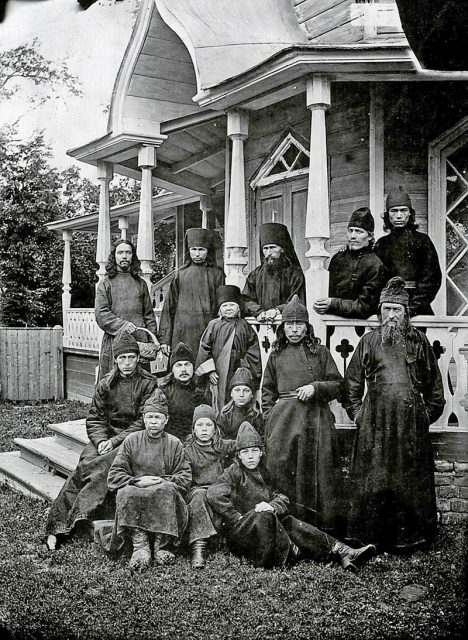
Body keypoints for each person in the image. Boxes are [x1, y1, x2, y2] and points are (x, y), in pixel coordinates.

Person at [344, 276, 445, 551]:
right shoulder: (368, 341)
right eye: (386, 309)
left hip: (409, 424)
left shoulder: (419, 342)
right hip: (375, 423)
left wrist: (424, 418)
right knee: (374, 478)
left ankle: (411, 539)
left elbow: (435, 388)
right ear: (380, 311)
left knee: (409, 479)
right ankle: (372, 537)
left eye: (396, 310)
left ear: (406, 313)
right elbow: (351, 384)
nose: (390, 316)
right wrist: (357, 415)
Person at [207, 422, 376, 570]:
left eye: (254, 450)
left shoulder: (266, 472)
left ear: (261, 452)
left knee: (289, 521)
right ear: (238, 455)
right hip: (242, 533)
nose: (250, 456)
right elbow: (214, 494)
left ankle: (343, 551)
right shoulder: (233, 472)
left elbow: (283, 497)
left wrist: (272, 505)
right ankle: (293, 552)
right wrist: (237, 516)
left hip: (267, 528)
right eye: (245, 452)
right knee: (264, 516)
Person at [46, 333, 158, 550]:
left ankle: (76, 519)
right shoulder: (106, 383)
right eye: (122, 358)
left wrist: (114, 441)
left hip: (133, 439)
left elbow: (143, 421)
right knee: (85, 465)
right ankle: (56, 525)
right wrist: (99, 441)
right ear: (115, 360)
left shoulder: (148, 384)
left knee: (102, 468)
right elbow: (95, 418)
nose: (126, 363)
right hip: (105, 437)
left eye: (131, 358)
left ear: (138, 359)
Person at [262, 294, 343, 531]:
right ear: (283, 327)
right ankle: (289, 523)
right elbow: (267, 390)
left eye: (299, 324)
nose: (294, 330)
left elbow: (338, 384)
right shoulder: (276, 354)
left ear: (307, 327)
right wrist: (271, 418)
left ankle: (319, 525)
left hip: (315, 420)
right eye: (289, 324)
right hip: (284, 423)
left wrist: (315, 388)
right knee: (284, 470)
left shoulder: (320, 352)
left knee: (318, 472)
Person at [96, 392, 191, 571]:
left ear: (166, 420)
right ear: (144, 419)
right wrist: (137, 481)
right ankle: (140, 546)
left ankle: (160, 546)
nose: (153, 421)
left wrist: (160, 481)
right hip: (137, 489)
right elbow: (114, 474)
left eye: (158, 417)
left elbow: (185, 476)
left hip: (163, 489)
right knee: (125, 491)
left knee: (169, 489)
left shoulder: (175, 443)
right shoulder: (131, 440)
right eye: (149, 417)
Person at [95, 239, 159, 379]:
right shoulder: (106, 283)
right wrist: (123, 325)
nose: (124, 256)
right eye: (120, 252)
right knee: (113, 384)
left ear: (133, 256)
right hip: (114, 341)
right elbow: (102, 314)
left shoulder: (140, 283)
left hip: (139, 342)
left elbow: (148, 314)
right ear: (114, 256)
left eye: (128, 252)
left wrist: (151, 340)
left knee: (141, 385)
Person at [374, 187, 442, 316]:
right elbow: (375, 279)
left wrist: (411, 308)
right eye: (394, 211)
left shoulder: (423, 241)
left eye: (403, 210)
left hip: (418, 310)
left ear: (410, 213)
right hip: (390, 308)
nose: (399, 215)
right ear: (387, 214)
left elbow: (432, 279)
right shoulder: (381, 244)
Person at [195, 285, 262, 415]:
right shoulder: (214, 325)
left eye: (232, 305)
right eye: (225, 306)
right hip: (218, 369)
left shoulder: (244, 326)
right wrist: (210, 371)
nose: (229, 308)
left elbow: (253, 349)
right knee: (219, 396)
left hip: (238, 367)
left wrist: (245, 367)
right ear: (220, 309)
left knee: (237, 396)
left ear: (238, 308)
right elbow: (204, 347)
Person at [158, 228, 225, 358]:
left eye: (201, 250)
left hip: (207, 330)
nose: (197, 254)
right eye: (194, 249)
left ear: (208, 251)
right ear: (189, 251)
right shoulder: (180, 275)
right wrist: (165, 339)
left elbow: (221, 305)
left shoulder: (217, 275)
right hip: (181, 332)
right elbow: (168, 308)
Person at [183, 404, 235, 569]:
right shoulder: (187, 451)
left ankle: (220, 538)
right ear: (193, 429)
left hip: (219, 492)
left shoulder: (224, 446)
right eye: (200, 425)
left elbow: (245, 443)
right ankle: (198, 548)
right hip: (197, 492)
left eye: (208, 425)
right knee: (199, 496)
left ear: (215, 428)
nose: (204, 429)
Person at [313, 207, 387, 319]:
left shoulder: (375, 264)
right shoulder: (338, 258)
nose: (353, 236)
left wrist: (333, 304)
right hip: (332, 325)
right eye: (350, 230)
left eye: (359, 232)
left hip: (359, 328)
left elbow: (365, 307)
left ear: (370, 236)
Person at [242, 222, 305, 320]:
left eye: (272, 247)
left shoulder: (295, 274)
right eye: (265, 249)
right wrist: (258, 311)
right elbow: (245, 300)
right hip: (261, 326)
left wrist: (277, 310)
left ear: (282, 249)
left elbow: (297, 301)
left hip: (287, 324)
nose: (268, 253)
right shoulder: (255, 275)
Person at [157, 342, 208, 442]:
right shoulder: (163, 392)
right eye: (179, 365)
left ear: (193, 368)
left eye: (187, 365)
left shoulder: (201, 391)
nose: (183, 369)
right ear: (172, 369)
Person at [218, 367, 263, 440]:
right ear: (231, 393)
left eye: (246, 390)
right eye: (237, 390)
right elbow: (221, 442)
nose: (241, 394)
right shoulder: (225, 415)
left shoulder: (256, 416)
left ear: (252, 394)